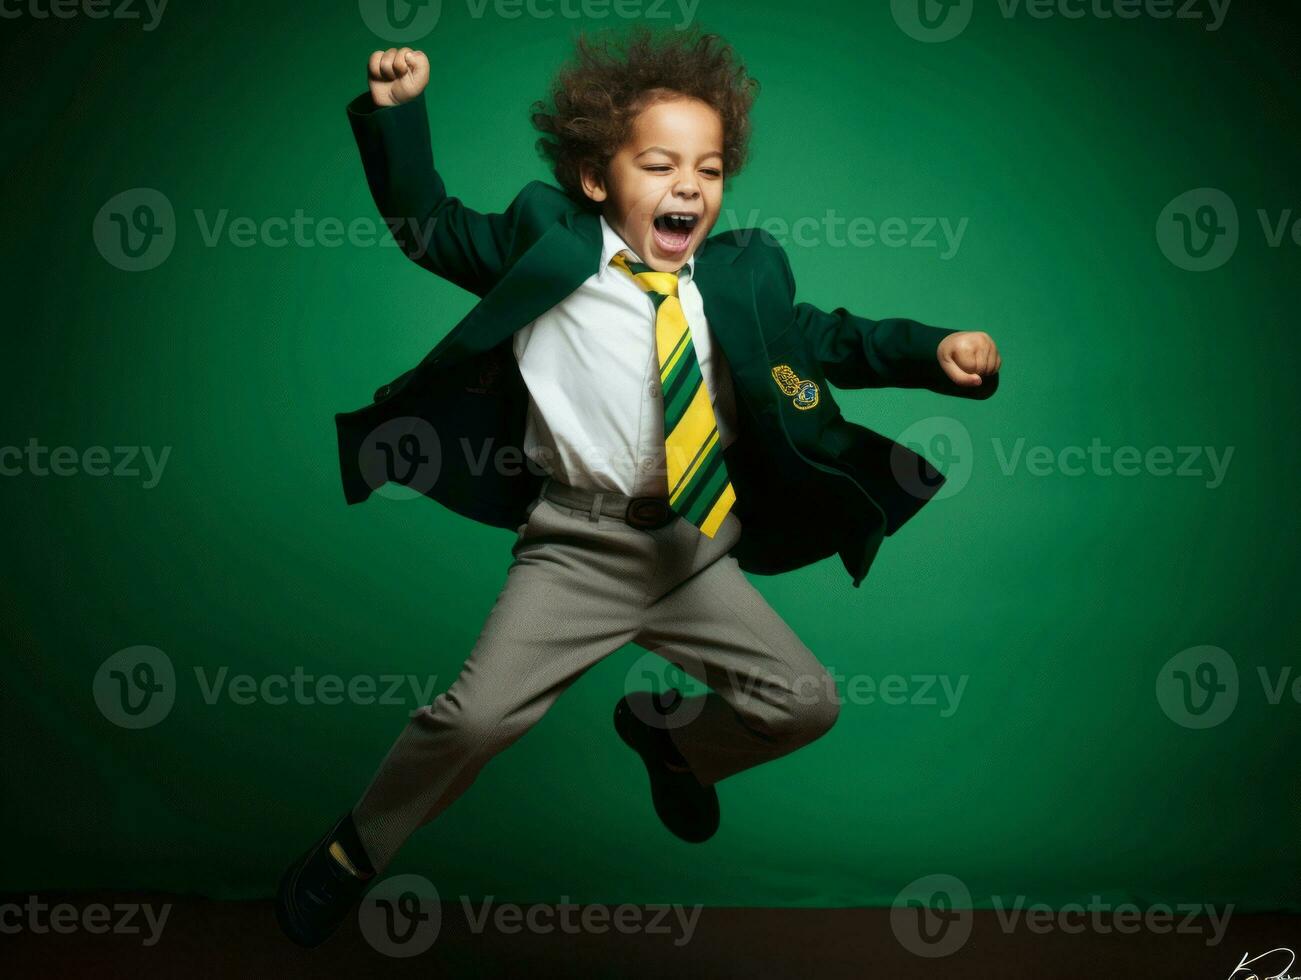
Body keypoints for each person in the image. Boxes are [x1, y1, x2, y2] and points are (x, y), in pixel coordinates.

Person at [276, 27, 1001, 948]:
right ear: (594, 179)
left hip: (695, 550)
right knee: (471, 719)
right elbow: (426, 221)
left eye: (708, 166)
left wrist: (933, 352)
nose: (687, 186)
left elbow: (830, 337)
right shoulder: (544, 244)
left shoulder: (738, 278)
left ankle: (669, 742)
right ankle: (353, 851)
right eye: (658, 164)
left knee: (804, 702)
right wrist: (398, 112)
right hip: (578, 550)